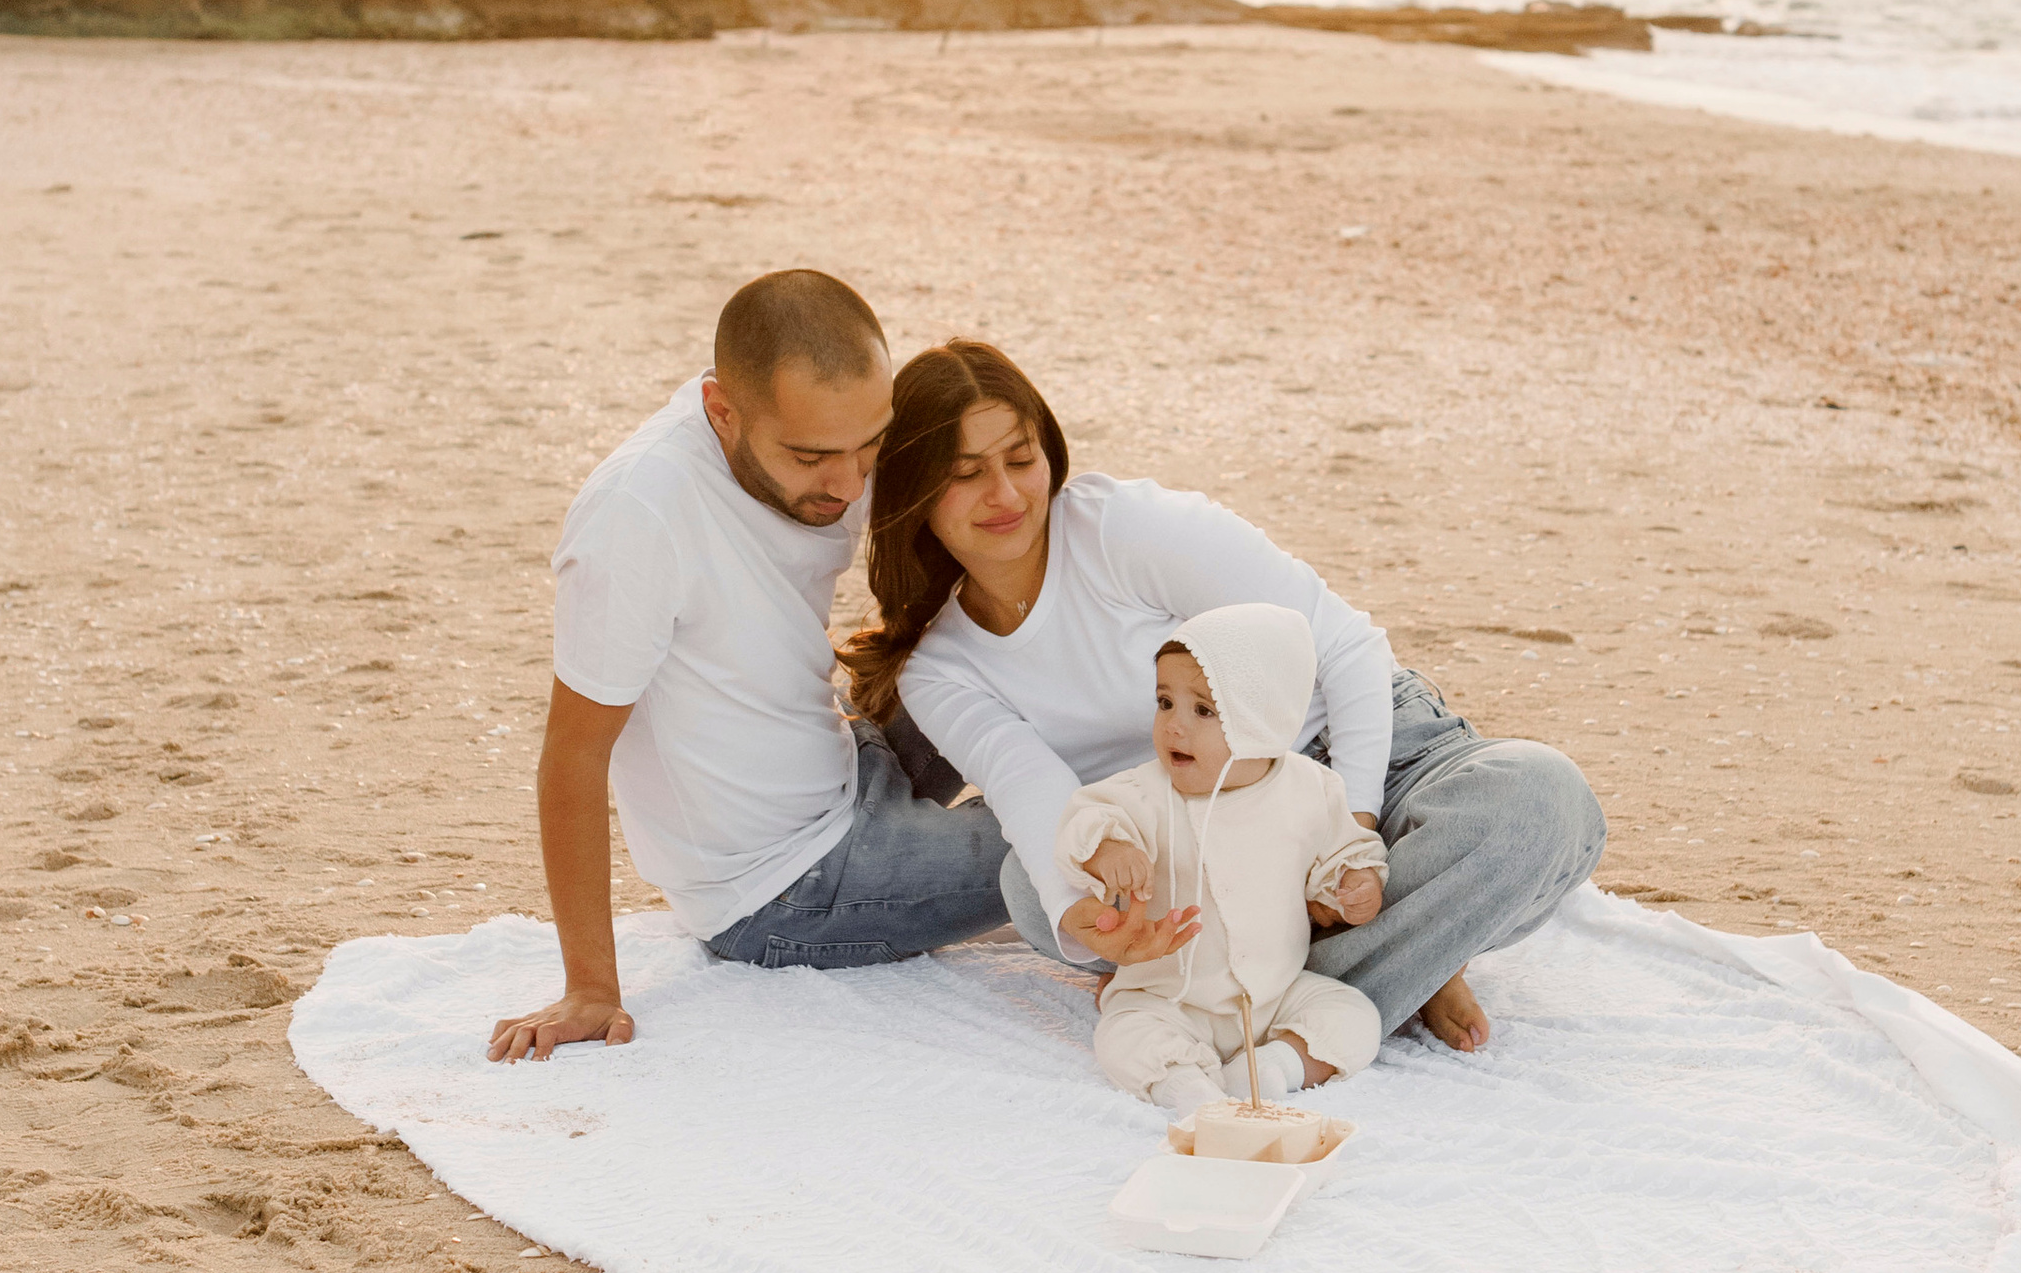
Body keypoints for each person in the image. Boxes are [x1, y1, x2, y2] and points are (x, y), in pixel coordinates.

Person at [844, 338, 1606, 1052]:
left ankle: (1252, 1008)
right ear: (913, 489)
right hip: (1197, 831)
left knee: (1541, 801)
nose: (1005, 493)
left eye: (1021, 457)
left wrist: (1354, 835)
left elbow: (1342, 645)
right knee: (1034, 889)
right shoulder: (942, 670)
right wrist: (1087, 918)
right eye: (967, 471)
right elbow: (1036, 798)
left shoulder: (1123, 529)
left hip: (1339, 755)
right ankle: (1403, 961)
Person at [487, 272, 1009, 1064]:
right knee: (1092, 833)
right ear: (721, 413)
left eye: (870, 444)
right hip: (786, 887)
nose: (849, 483)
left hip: (847, 762)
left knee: (1016, 646)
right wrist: (591, 988)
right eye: (812, 458)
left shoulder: (825, 441)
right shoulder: (638, 516)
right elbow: (572, 757)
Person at [1057, 605, 1389, 1111]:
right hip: (1168, 995)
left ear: (1262, 717)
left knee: (1355, 1016)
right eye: (1165, 702)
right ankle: (1183, 1086)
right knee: (1123, 1033)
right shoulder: (1145, 792)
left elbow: (1344, 848)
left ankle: (1279, 1066)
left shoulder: (1309, 789)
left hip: (1274, 994)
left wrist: (1354, 882)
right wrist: (1109, 849)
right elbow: (1089, 816)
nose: (1173, 727)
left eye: (1203, 711)